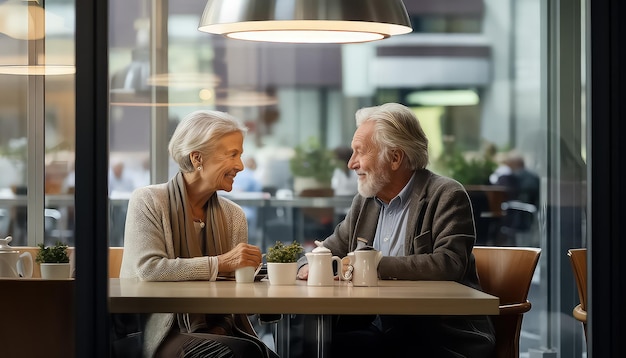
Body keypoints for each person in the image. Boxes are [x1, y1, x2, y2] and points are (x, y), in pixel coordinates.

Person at [296, 103, 496, 358]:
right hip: (382, 328)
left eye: (360, 152)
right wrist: (307, 265)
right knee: (316, 344)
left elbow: (450, 263)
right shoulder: (366, 200)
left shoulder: (446, 194)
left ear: (394, 157)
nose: (351, 163)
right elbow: (330, 247)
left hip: (438, 334)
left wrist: (370, 266)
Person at [119, 110, 277, 358]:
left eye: (241, 155)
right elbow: (149, 269)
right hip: (162, 333)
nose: (240, 165)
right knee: (248, 355)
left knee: (256, 353)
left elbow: (237, 289)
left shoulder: (233, 215)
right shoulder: (148, 200)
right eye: (232, 154)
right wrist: (221, 264)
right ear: (197, 158)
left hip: (224, 328)